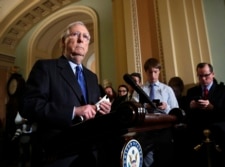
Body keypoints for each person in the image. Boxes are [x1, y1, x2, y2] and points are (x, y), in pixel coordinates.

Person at [20, 21, 111, 167]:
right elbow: (28, 106)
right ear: (63, 41)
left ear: (88, 44)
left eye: (86, 37)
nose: (81, 40)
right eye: (75, 35)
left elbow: (91, 111)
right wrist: (73, 111)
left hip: (89, 153)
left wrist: (102, 110)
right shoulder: (46, 68)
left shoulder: (92, 77)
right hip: (58, 154)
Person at [185, 62, 225, 167]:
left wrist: (212, 107)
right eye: (200, 76)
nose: (203, 79)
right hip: (198, 137)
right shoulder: (191, 92)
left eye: (206, 75)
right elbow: (185, 114)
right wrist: (191, 106)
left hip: (219, 136)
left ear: (213, 74)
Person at [132, 58, 179, 167]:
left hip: (164, 130)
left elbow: (176, 110)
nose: (153, 75)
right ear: (146, 72)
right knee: (147, 161)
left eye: (155, 72)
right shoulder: (139, 90)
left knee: (164, 160)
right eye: (150, 72)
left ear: (159, 71)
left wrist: (166, 107)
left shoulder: (167, 89)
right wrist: (144, 106)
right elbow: (133, 108)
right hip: (145, 130)